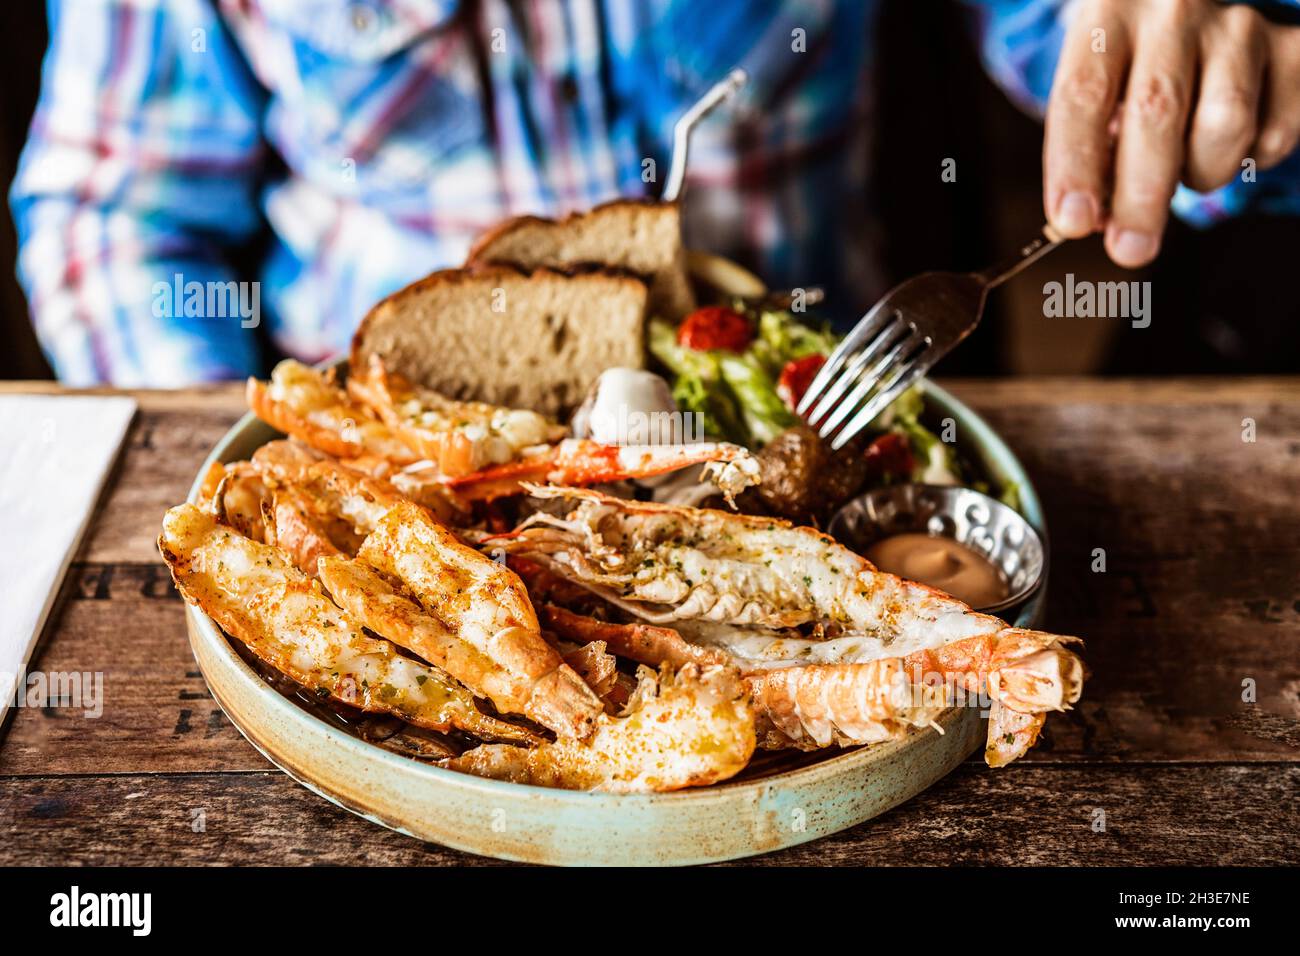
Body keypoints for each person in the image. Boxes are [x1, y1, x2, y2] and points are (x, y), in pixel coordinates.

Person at [10, 0, 1300, 385]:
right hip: (373, 423)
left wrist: (1186, 71)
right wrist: (257, 449)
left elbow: (1074, 35)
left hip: (814, 403)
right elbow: (117, 218)